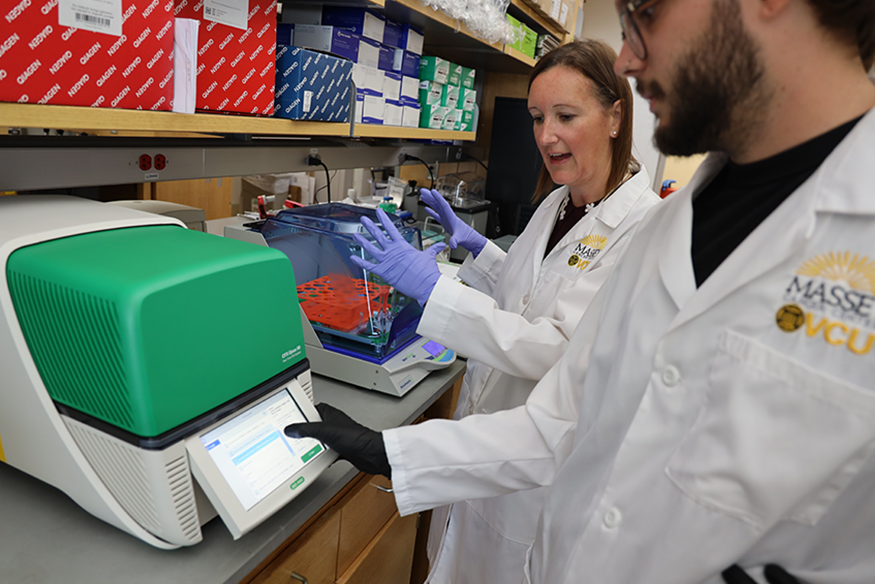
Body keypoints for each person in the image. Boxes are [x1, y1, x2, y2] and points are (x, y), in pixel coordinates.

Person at [288, 0, 875, 582]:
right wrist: (390, 450)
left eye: (645, 13)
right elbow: (566, 418)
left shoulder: (651, 221)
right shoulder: (677, 224)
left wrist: (433, 288)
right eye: (538, 119)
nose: (626, 54)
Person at [347, 39, 660, 584]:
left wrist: (433, 288)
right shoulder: (560, 202)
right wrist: (480, 251)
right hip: (481, 451)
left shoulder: (643, 231)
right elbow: (531, 292)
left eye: (566, 115)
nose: (545, 135)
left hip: (530, 484)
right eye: (538, 117)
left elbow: (557, 347)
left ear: (614, 116)